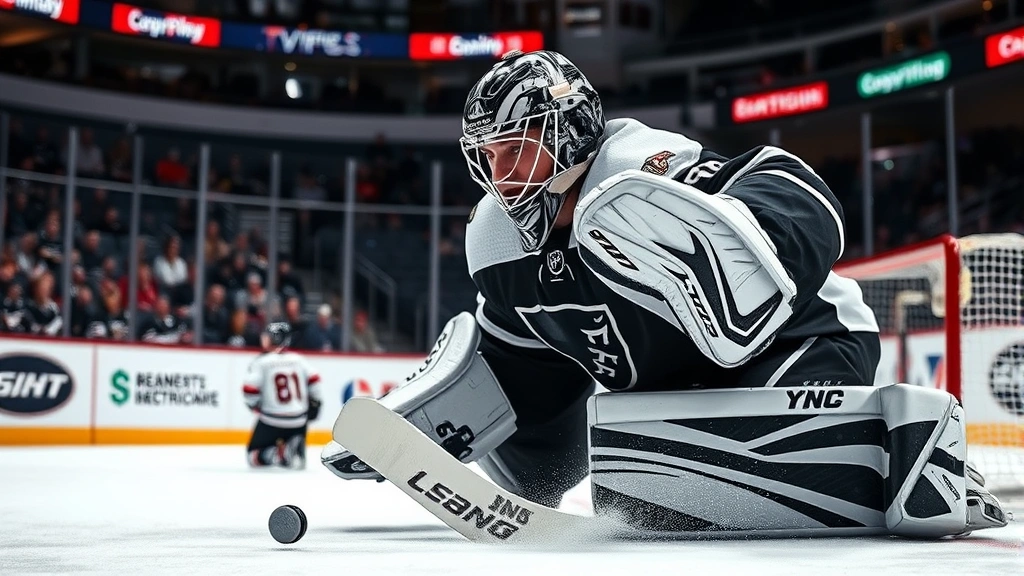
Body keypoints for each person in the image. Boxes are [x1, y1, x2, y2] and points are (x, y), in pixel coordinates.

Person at [322, 50, 1007, 537]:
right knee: (640, 491)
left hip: (803, 340)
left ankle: (913, 449)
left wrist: (753, 238)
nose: (502, 176)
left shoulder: (641, 172)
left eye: (517, 149)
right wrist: (433, 433)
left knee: (709, 478)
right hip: (681, 399)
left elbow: (793, 191)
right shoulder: (495, 244)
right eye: (490, 156)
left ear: (571, 133)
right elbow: (525, 374)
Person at [243, 323, 321, 469]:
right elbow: (314, 379)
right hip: (299, 420)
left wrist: (254, 405)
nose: (263, 338)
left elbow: (250, 389)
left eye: (266, 336)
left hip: (272, 419)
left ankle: (279, 454)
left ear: (274, 338)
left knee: (253, 457)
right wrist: (315, 403)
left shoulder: (262, 361)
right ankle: (295, 453)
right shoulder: (298, 359)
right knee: (298, 459)